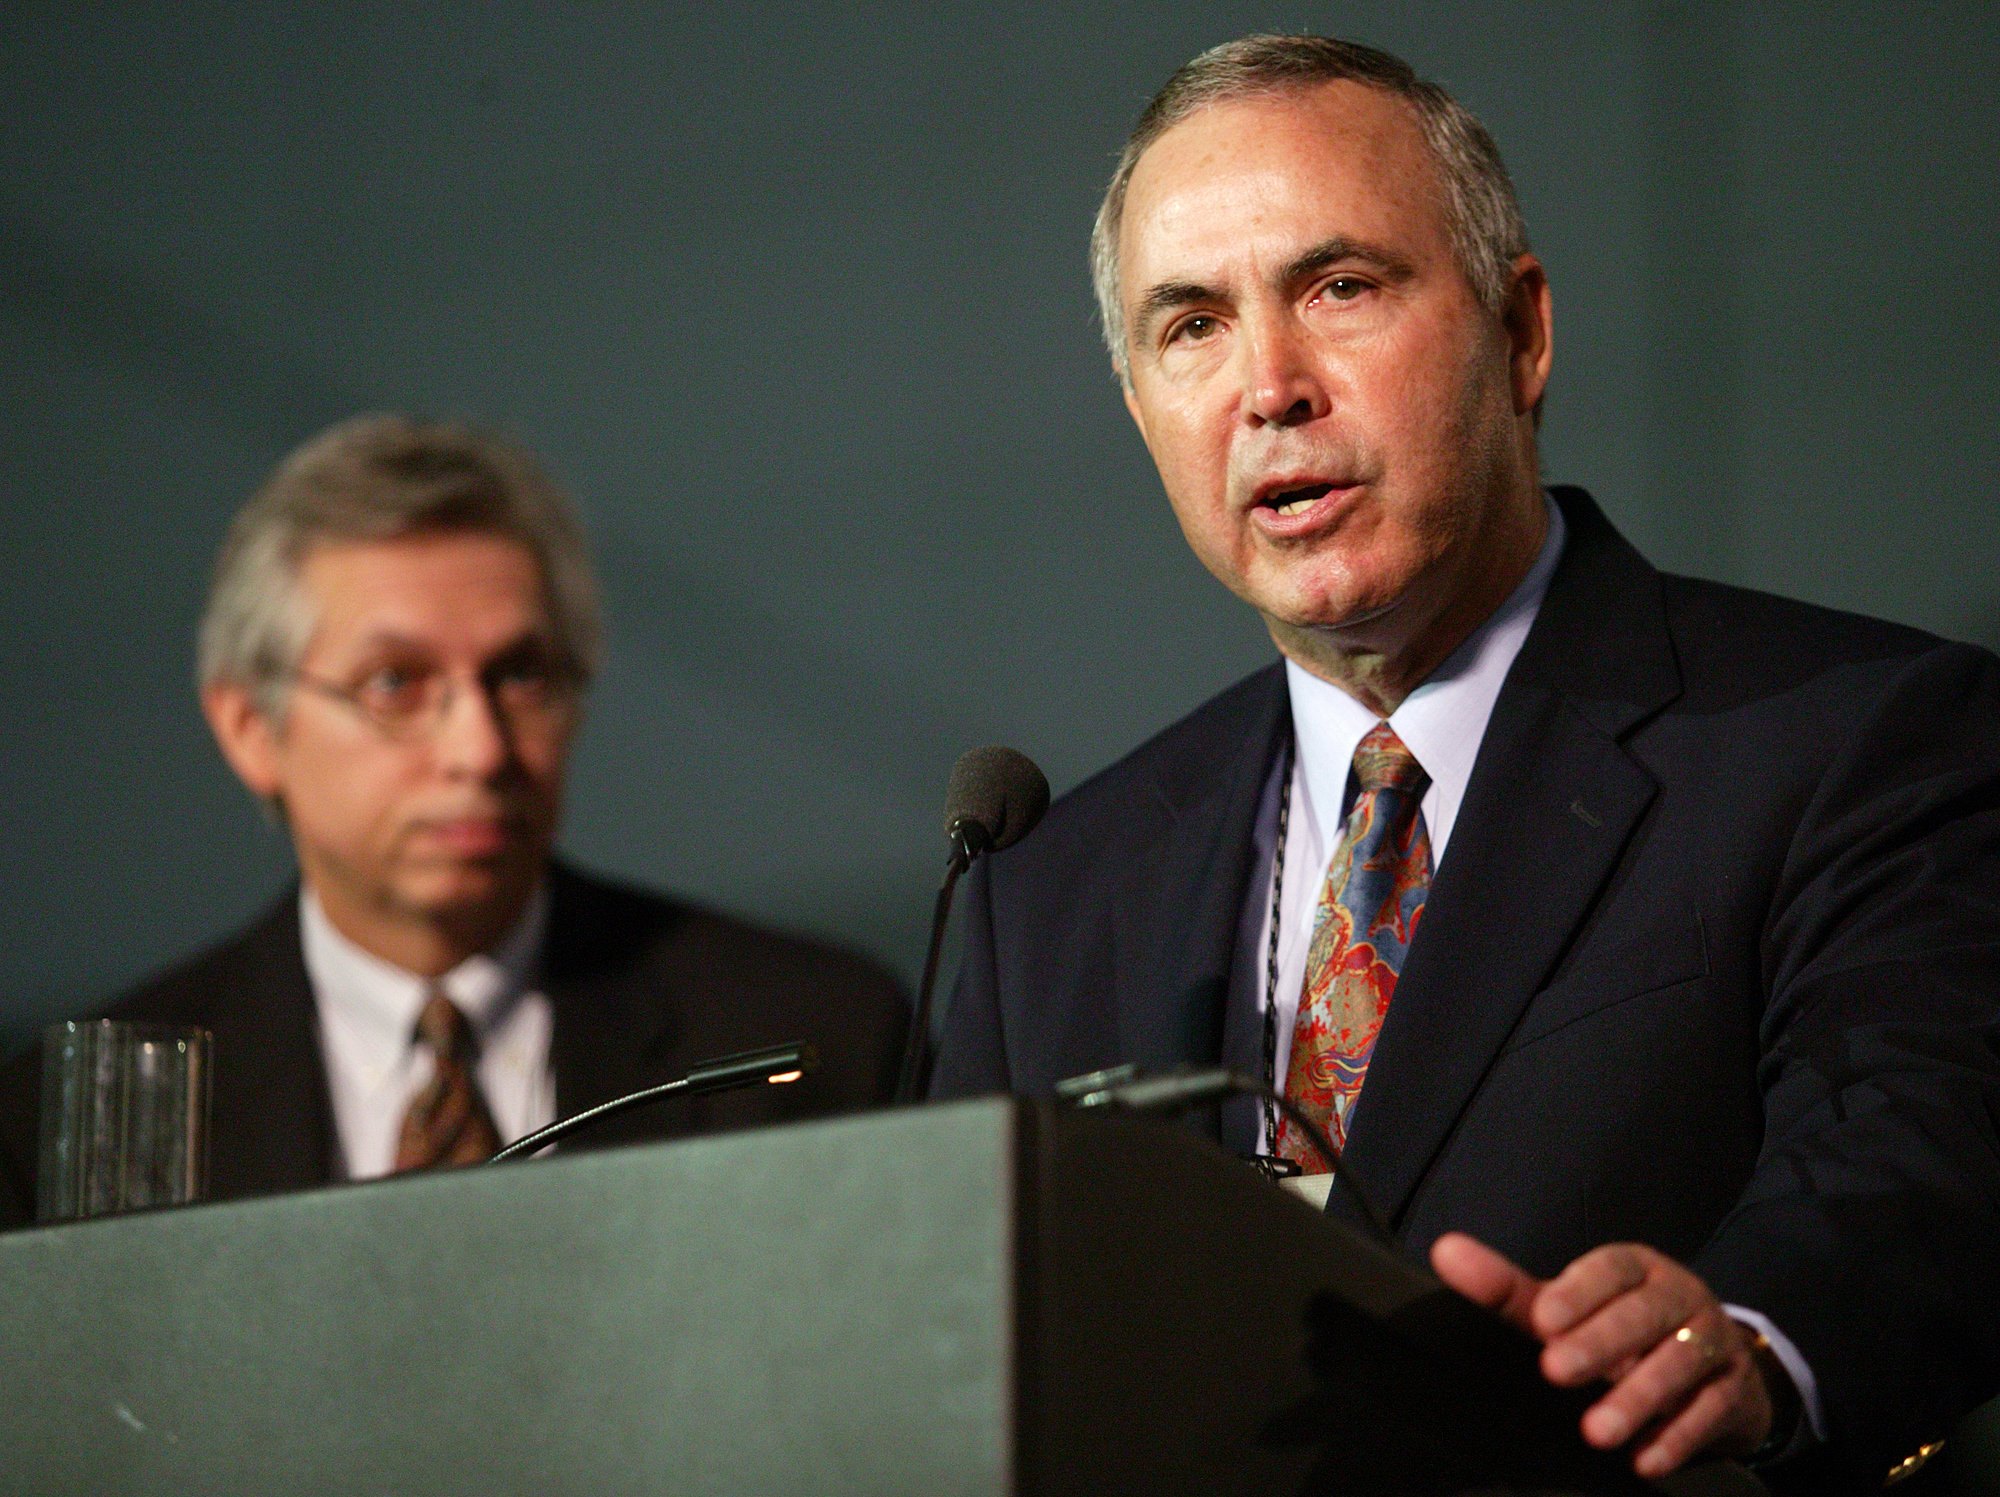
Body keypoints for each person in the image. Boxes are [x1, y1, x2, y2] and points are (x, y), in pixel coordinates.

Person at [930, 34, 2000, 1493]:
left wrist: (1746, 1338)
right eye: (1191, 326)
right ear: (1140, 408)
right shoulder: (1045, 893)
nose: (1269, 387)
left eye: (1339, 288)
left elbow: (1919, 1141)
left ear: (1520, 332)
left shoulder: (1854, 737)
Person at [0, 414, 907, 1221]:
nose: (479, 749)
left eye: (521, 676)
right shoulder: (66, 1118)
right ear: (250, 728)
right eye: (395, 682)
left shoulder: (817, 1040)